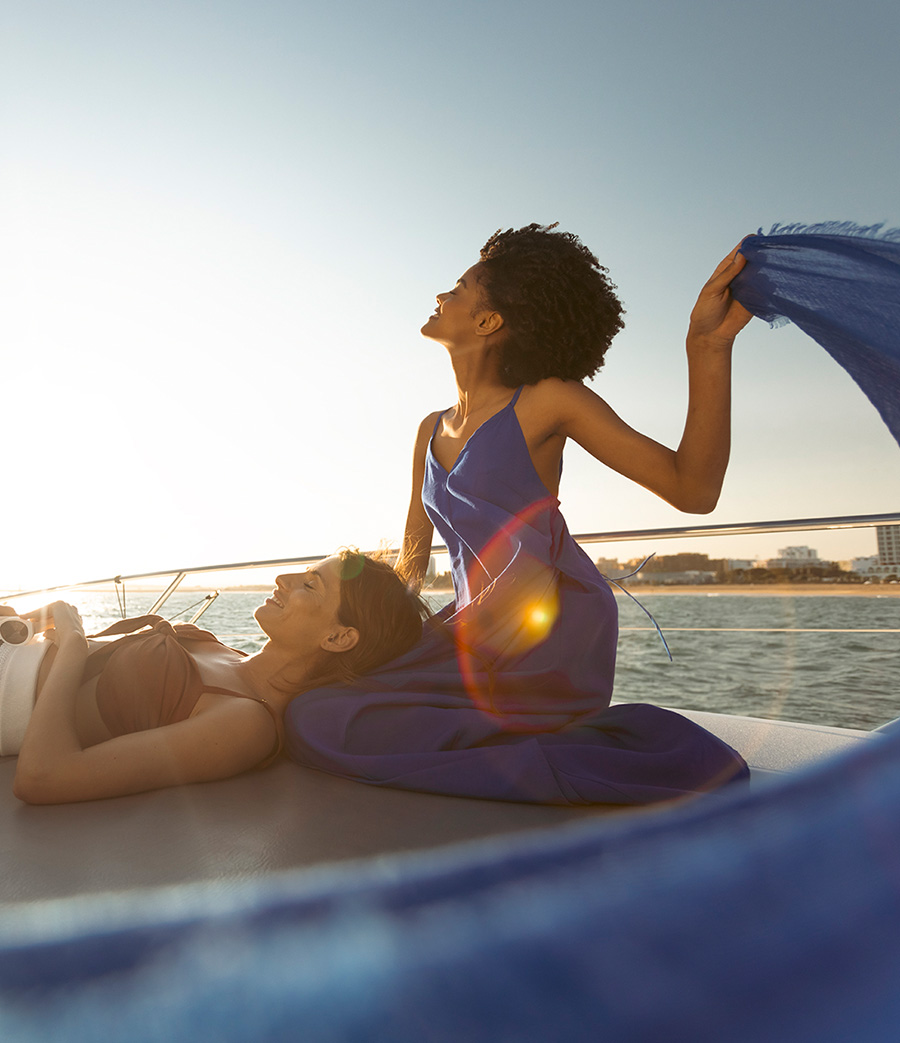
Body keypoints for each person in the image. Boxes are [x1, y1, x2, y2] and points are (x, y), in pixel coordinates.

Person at [284, 225, 752, 805]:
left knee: (317, 719)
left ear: (488, 322)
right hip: (471, 626)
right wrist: (388, 640)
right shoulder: (430, 428)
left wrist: (707, 345)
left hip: (547, 630)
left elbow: (693, 489)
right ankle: (497, 737)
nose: (441, 296)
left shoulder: (549, 400)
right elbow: (416, 543)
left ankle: (567, 748)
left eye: (458, 288)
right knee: (318, 697)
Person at [2, 550, 426, 804]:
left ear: (338, 637)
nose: (283, 578)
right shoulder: (226, 651)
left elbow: (43, 777)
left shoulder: (246, 723)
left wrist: (74, 644)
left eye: (310, 585)